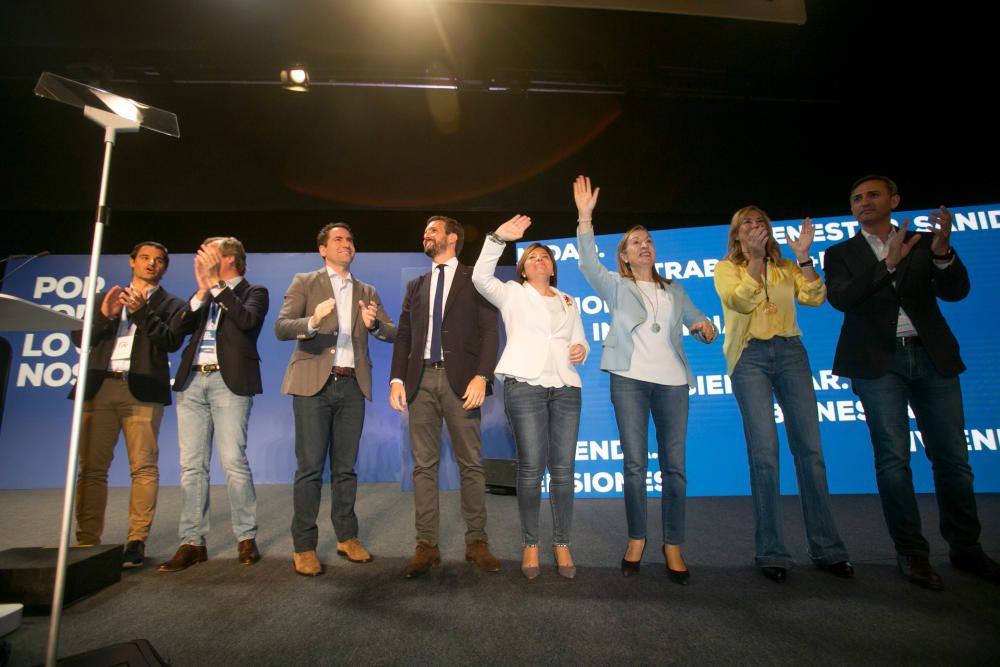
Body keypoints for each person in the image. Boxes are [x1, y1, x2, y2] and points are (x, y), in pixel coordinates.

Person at [824, 175, 999, 589]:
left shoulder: (924, 243)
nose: (863, 202)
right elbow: (842, 299)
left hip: (932, 358)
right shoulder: (840, 253)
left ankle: (966, 548)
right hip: (876, 364)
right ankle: (912, 553)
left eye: (872, 195)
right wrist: (887, 263)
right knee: (894, 462)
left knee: (954, 459)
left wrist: (942, 256)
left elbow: (956, 291)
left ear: (894, 200)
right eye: (856, 198)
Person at [574, 176, 717, 584]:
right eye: (636, 241)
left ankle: (672, 544)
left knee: (675, 468)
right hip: (630, 382)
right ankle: (637, 538)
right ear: (624, 254)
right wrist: (585, 217)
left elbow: (698, 323)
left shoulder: (675, 290)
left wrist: (706, 328)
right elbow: (586, 263)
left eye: (648, 240)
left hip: (672, 383)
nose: (644, 244)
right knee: (634, 466)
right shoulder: (616, 286)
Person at [713, 205, 852, 583]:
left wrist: (804, 257)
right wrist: (755, 261)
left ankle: (828, 549)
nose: (755, 228)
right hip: (749, 358)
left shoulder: (787, 265)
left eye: (761, 223)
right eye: (747, 224)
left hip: (791, 353)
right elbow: (741, 301)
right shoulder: (726, 268)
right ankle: (771, 551)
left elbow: (813, 297)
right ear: (736, 234)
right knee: (765, 456)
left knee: (810, 452)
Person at [274, 223, 397, 577]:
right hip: (313, 384)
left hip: (351, 385)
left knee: (345, 468)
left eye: (350, 240)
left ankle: (347, 536)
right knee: (310, 468)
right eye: (339, 240)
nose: (347, 244)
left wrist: (374, 325)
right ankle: (304, 546)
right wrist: (311, 321)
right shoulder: (305, 282)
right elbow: (282, 327)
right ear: (322, 249)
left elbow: (392, 332)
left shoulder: (367, 290)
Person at [472, 214, 589, 579]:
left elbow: (579, 339)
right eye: (532, 258)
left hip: (567, 388)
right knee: (531, 469)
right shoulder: (511, 293)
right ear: (523, 269)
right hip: (525, 385)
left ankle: (563, 542)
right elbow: (479, 277)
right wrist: (498, 238)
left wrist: (581, 348)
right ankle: (530, 543)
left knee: (565, 472)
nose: (540, 261)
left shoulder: (569, 300)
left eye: (545, 257)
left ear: (553, 268)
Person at [389, 215, 501, 578]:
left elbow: (489, 332)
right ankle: (426, 546)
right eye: (425, 230)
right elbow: (403, 336)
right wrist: (396, 380)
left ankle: (477, 542)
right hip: (419, 383)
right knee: (423, 467)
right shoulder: (416, 285)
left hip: (462, 384)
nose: (426, 234)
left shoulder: (475, 279)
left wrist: (483, 376)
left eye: (433, 230)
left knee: (471, 464)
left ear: (452, 238)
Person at [158, 237, 269, 572]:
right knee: (192, 466)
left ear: (230, 258)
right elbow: (175, 334)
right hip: (191, 382)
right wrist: (200, 293)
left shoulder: (254, 291)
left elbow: (247, 322)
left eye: (210, 254)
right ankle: (192, 542)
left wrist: (218, 286)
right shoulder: (204, 295)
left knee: (234, 462)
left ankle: (246, 538)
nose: (202, 259)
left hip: (228, 383)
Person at [71, 241, 185, 568]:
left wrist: (141, 312)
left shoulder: (171, 303)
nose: (152, 264)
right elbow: (79, 339)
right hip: (100, 386)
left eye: (159, 260)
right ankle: (87, 542)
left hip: (142, 392)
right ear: (132, 261)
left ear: (164, 267)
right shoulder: (103, 298)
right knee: (91, 469)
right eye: (146, 258)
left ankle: (137, 541)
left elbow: (171, 341)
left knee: (144, 468)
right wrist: (105, 316)